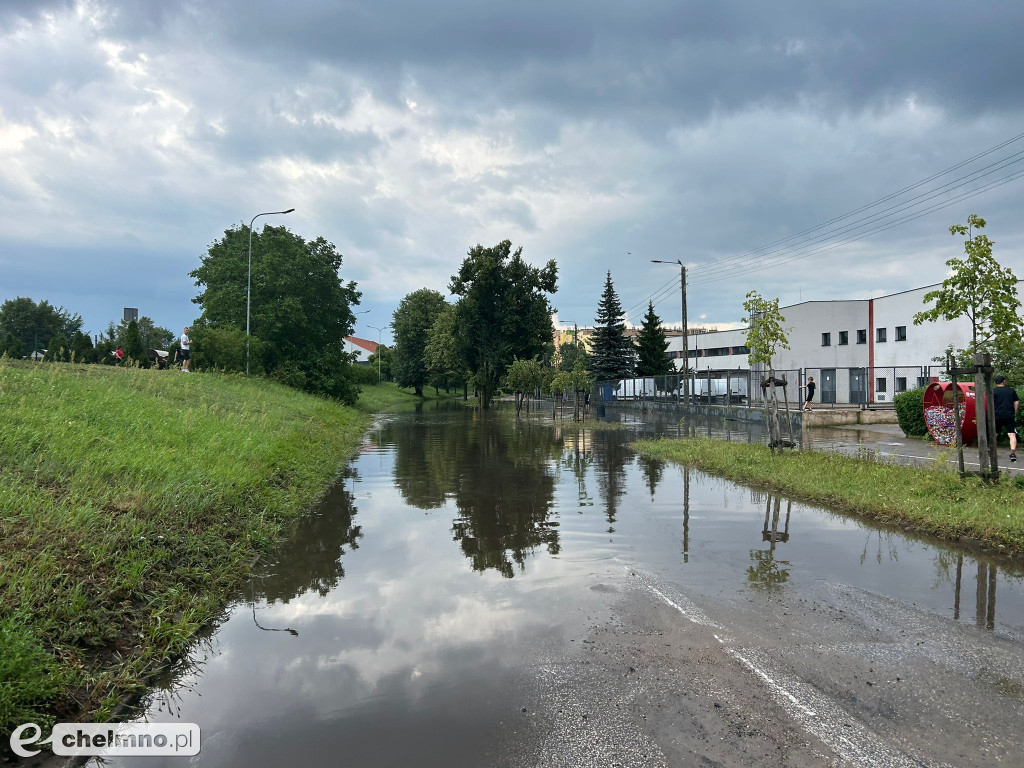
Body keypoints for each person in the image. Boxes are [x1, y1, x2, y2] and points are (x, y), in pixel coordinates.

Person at [993, 375, 1019, 462]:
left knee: (994, 433)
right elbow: (1016, 402)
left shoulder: (993, 391)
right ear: (1004, 381)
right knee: (1011, 434)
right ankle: (1012, 454)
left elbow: (988, 403)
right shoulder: (1011, 390)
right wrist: (1014, 412)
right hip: (1009, 414)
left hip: (996, 415)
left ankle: (992, 452)